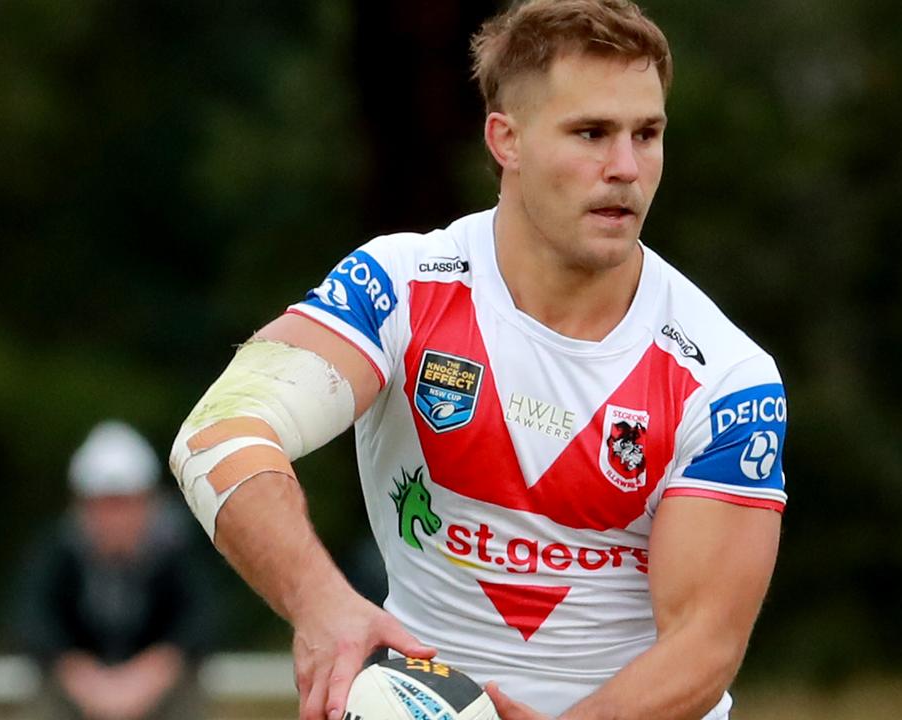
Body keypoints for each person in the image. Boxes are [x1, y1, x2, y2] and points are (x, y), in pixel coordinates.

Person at [169, 1, 787, 718]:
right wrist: (322, 606)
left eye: (646, 134)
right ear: (506, 140)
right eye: (591, 133)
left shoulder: (726, 377)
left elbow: (704, 646)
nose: (625, 168)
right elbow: (218, 435)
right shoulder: (401, 288)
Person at [15, 421, 216, 720]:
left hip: (158, 694)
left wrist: (151, 673)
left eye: (125, 504)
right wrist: (82, 676)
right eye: (104, 505)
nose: (115, 518)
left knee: (188, 682)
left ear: (149, 502)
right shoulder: (59, 550)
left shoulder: (176, 550)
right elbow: (31, 617)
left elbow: (203, 618)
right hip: (78, 694)